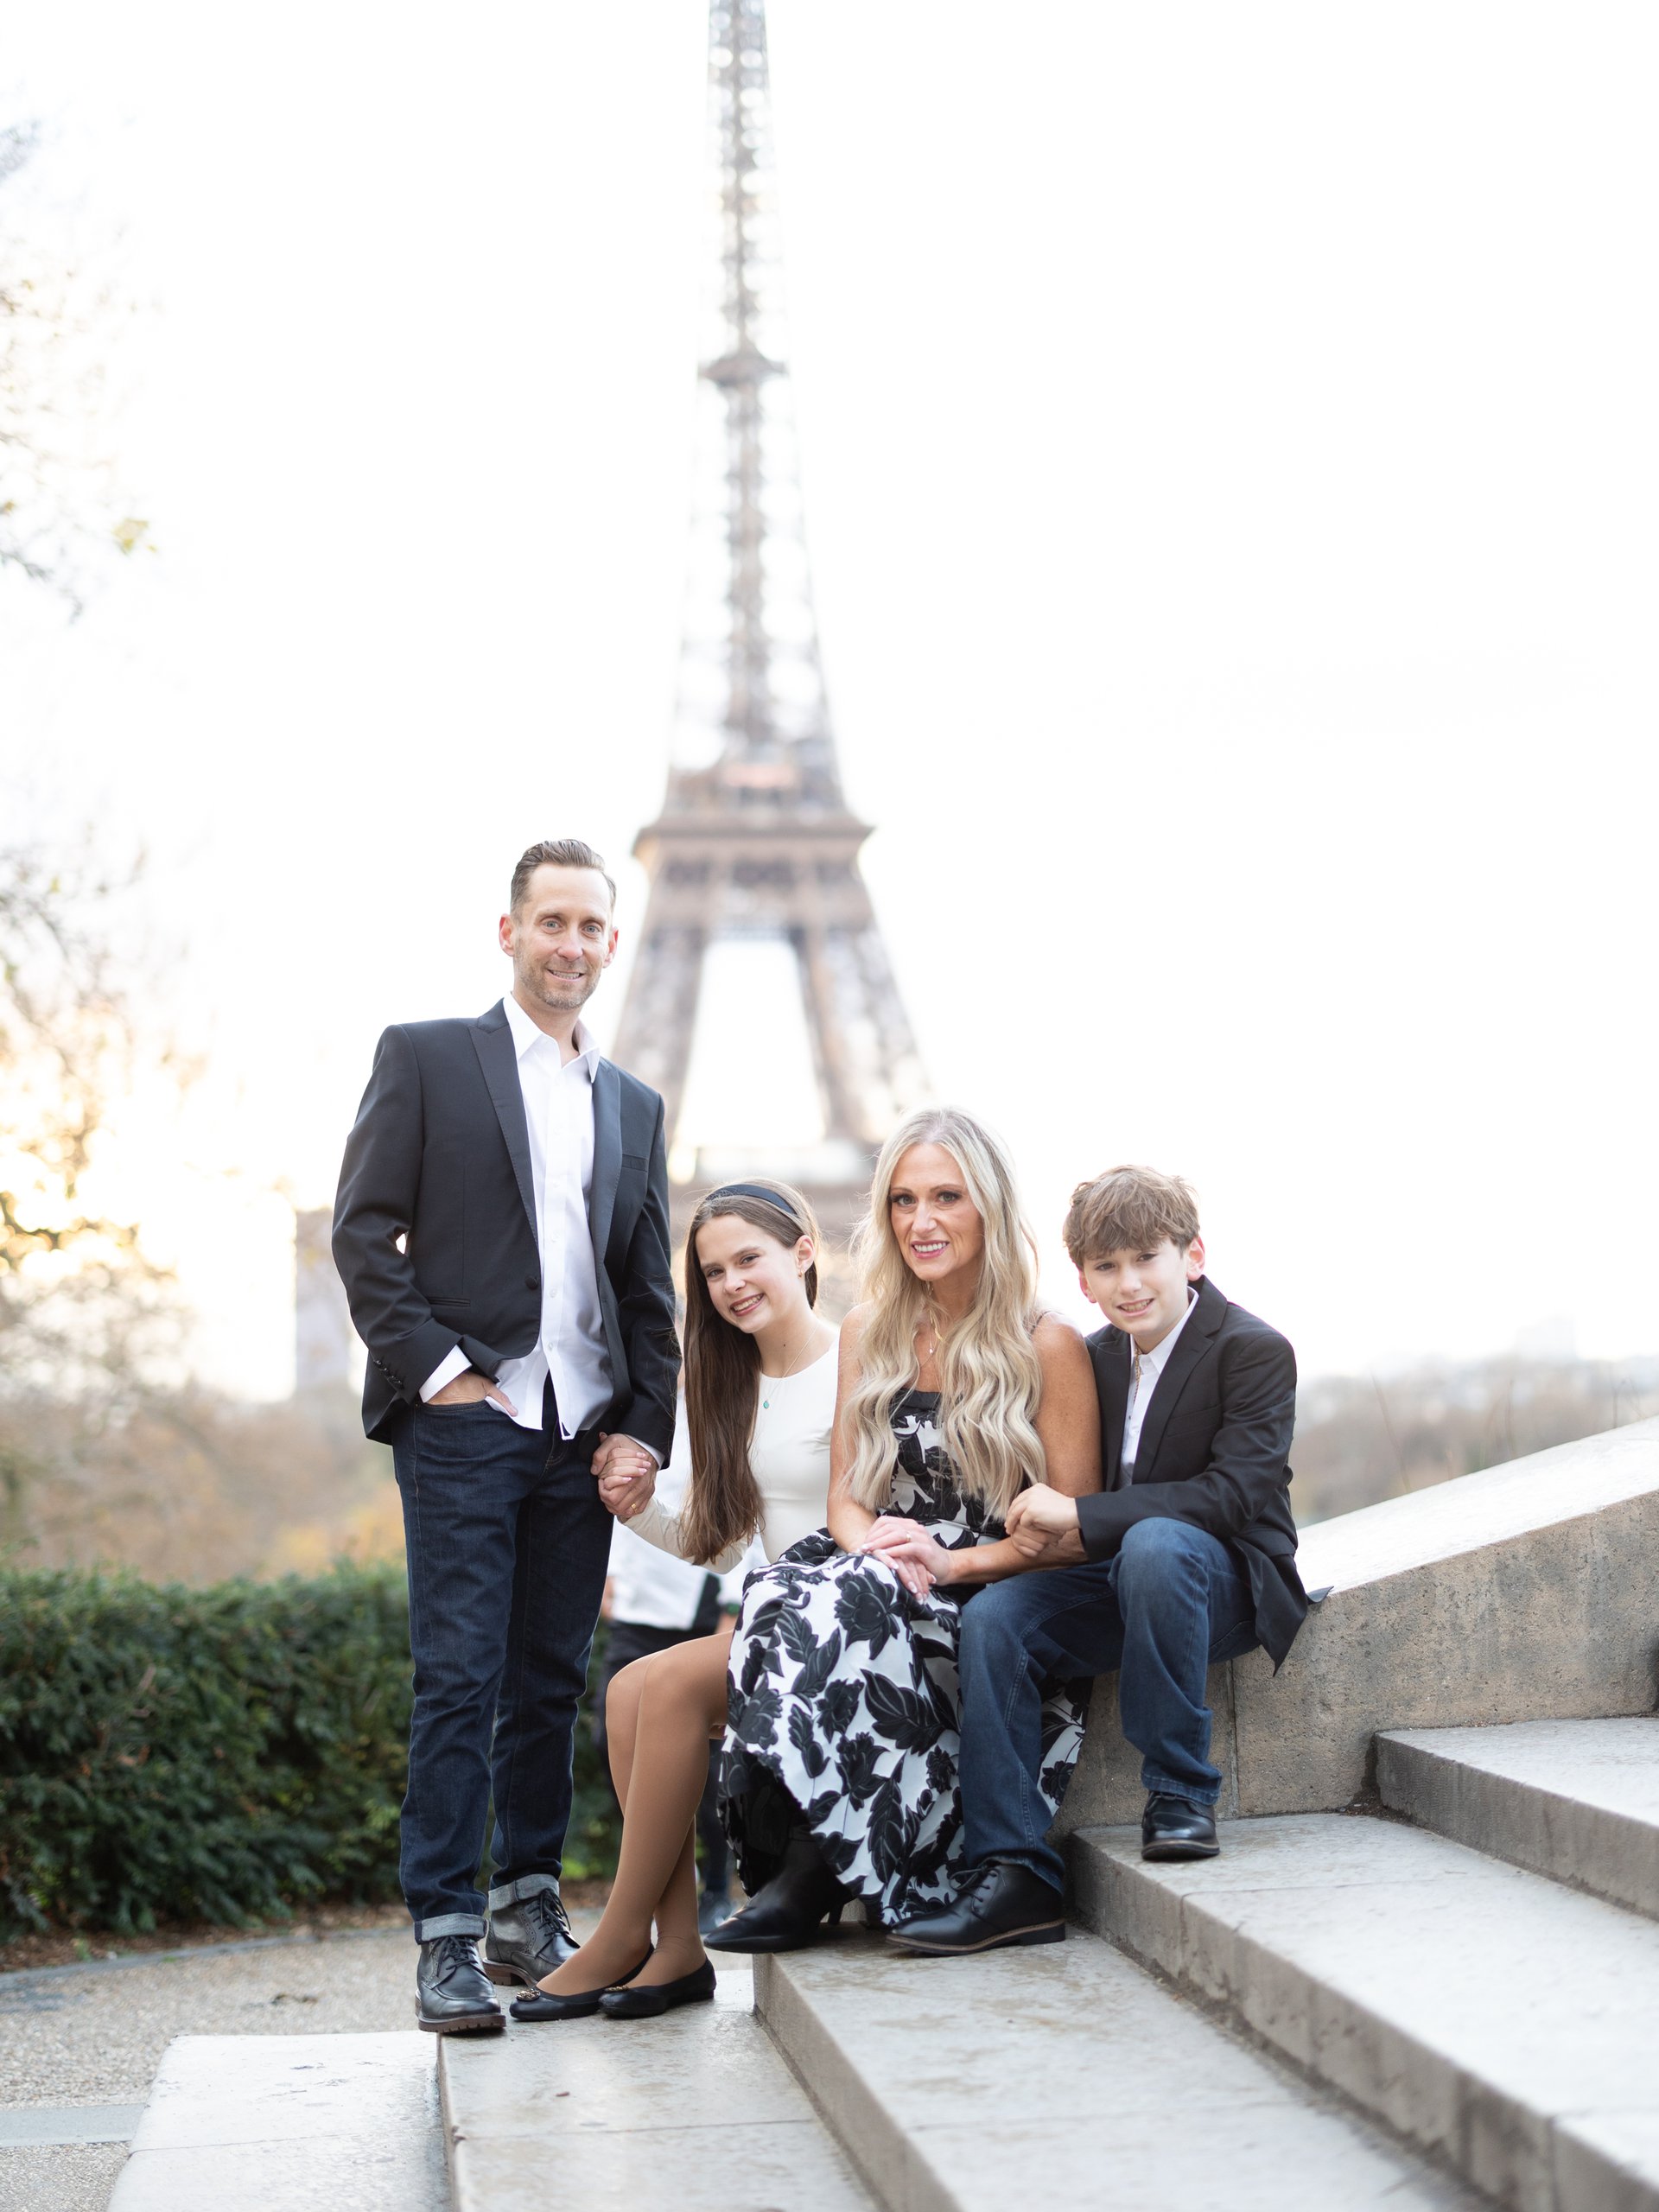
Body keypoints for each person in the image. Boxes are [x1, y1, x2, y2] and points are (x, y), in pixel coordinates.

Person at [331, 838, 679, 2034]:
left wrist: (643, 1430)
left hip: (582, 1433)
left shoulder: (633, 1103)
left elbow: (647, 1292)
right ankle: (443, 1932)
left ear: (612, 943)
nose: (571, 945)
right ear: (510, 930)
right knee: (459, 1675)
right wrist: (441, 1374)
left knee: (549, 1680)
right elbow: (363, 1233)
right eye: (552, 922)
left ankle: (526, 1907)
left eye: (591, 927)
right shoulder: (427, 1057)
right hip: (469, 1420)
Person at [705, 1107, 1100, 1954]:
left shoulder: (1048, 1344)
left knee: (833, 1603)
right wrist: (883, 1555)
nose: (921, 1221)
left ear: (989, 1205)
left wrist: (948, 1566)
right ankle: (807, 1858)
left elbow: (1076, 1531)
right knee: (781, 1588)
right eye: (903, 1200)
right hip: (886, 1572)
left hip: (994, 1584)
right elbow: (847, 1497)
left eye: (946, 1197)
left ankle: (813, 1870)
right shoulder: (869, 1330)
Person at [890, 1165, 1306, 1958]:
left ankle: (1180, 1792)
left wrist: (1082, 1516)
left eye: (1147, 1258)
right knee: (999, 1618)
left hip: (1225, 1586)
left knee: (1156, 1544)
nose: (1129, 1283)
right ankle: (1013, 1870)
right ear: (1082, 1281)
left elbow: (1233, 1496)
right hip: (1118, 1579)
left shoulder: (1252, 1350)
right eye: (1107, 1267)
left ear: (1193, 1255)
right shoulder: (1091, 1358)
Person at [510, 1178, 838, 2022]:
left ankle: (621, 1934)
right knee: (626, 1688)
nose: (732, 1283)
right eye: (714, 1271)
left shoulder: (855, 1363)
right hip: (781, 1623)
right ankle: (678, 1946)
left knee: (657, 1686)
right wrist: (636, 1509)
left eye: (749, 1259)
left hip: (845, 1621)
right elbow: (720, 1545)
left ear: (805, 1251)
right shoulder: (732, 1384)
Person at [594, 1480, 759, 1934]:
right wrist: (608, 1571)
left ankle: (716, 1889)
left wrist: (732, 1605)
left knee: (707, 1759)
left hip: (702, 1604)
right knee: (611, 1739)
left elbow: (741, 1506)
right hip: (636, 1610)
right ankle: (666, 1876)